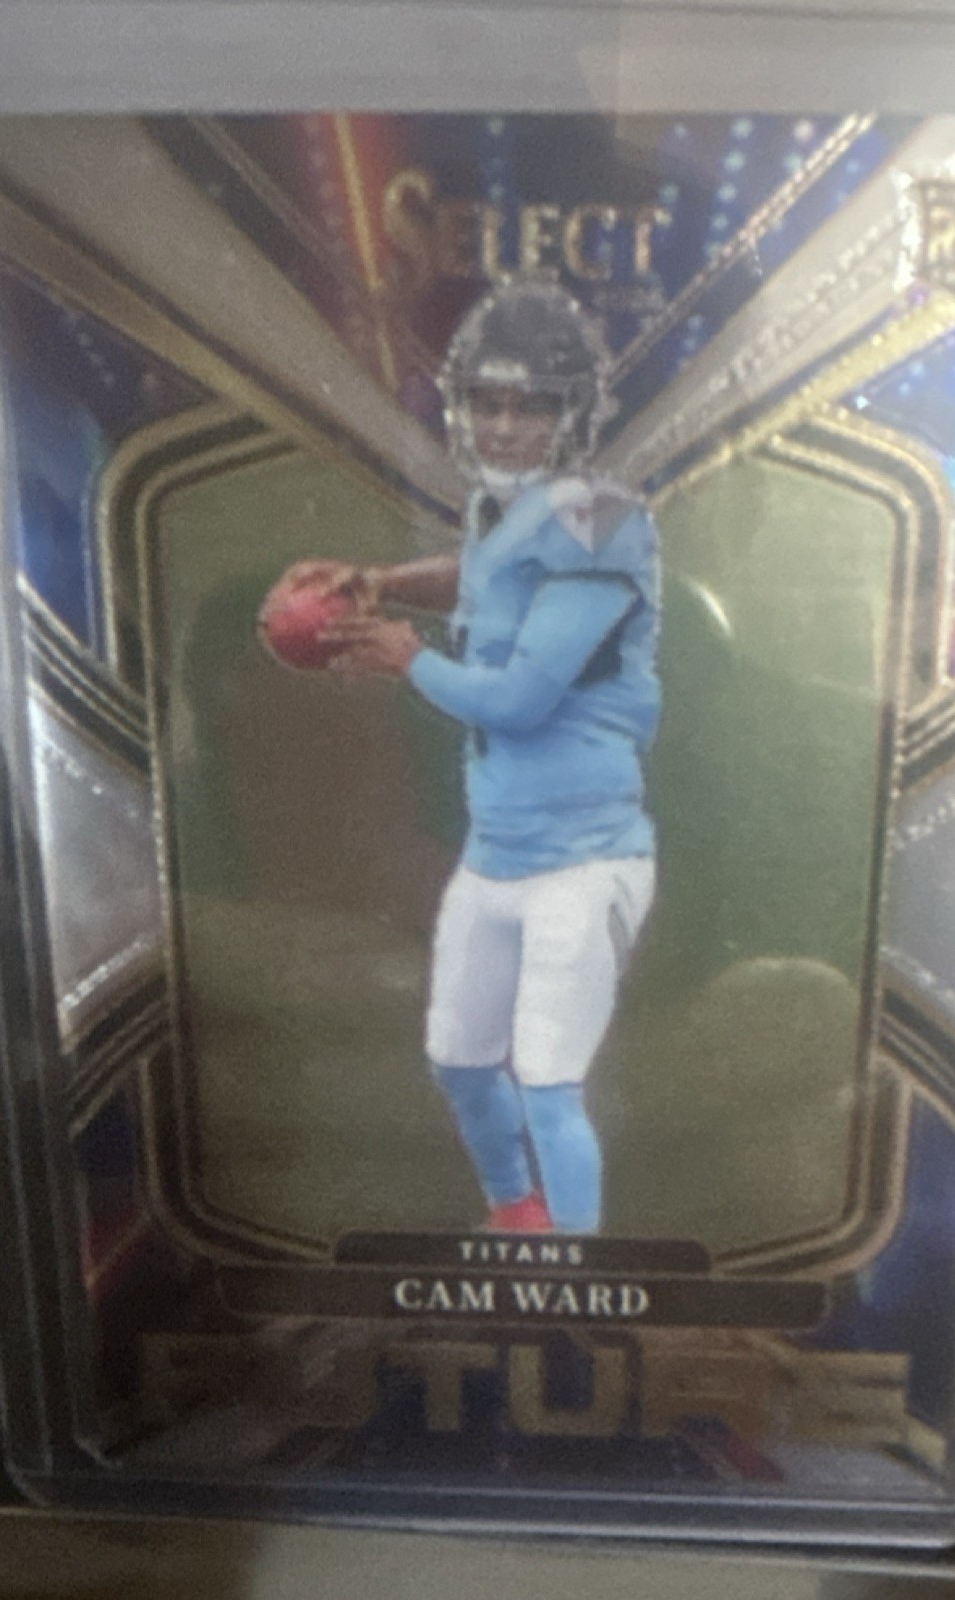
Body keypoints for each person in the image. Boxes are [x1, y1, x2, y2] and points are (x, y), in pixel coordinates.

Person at [273, 280, 661, 1235]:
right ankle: (516, 1218)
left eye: (529, 406)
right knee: (458, 1060)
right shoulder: (510, 513)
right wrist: (384, 581)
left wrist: (407, 657)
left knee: (549, 1083)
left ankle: (573, 1271)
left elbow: (522, 701)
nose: (504, 425)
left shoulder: (606, 517)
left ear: (573, 413)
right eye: (488, 402)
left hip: (584, 857)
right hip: (498, 850)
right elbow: (484, 578)